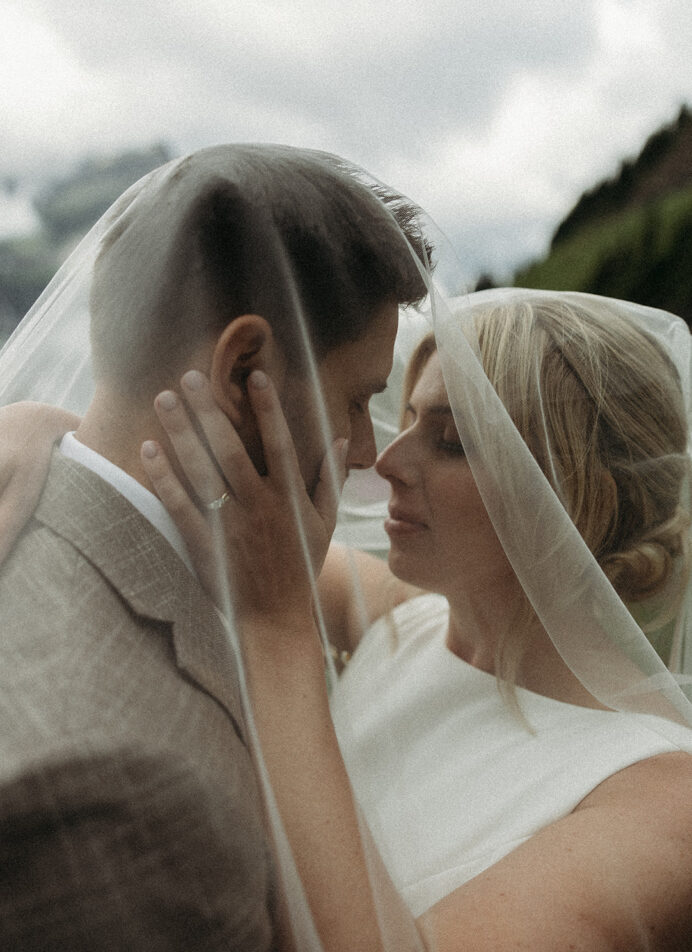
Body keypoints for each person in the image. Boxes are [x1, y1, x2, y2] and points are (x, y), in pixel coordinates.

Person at [137, 288, 692, 951]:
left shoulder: (662, 801)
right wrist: (36, 428)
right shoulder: (401, 620)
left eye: (453, 440)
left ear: (570, 493)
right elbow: (225, 527)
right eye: (406, 417)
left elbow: (275, 597)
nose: (389, 463)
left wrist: (279, 632)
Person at [0, 144, 429, 950]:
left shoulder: (34, 499)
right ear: (241, 373)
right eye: (360, 399)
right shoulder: (113, 795)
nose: (369, 451)